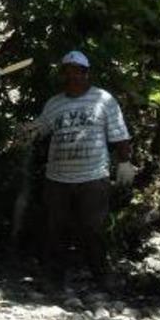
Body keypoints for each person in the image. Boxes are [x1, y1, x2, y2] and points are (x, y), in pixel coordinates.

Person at [29, 50, 133, 286]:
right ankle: (55, 279)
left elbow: (120, 134)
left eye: (78, 72)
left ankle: (101, 276)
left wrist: (125, 162)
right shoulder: (54, 104)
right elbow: (40, 131)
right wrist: (27, 132)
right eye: (68, 71)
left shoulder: (103, 100)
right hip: (57, 177)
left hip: (93, 177)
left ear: (87, 74)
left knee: (93, 229)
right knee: (56, 229)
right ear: (63, 74)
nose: (73, 76)